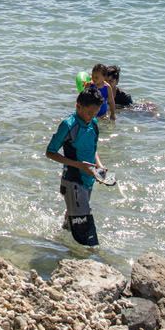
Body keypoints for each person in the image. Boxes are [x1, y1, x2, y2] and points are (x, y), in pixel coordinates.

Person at [45, 88, 105, 246]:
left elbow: (93, 148)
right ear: (78, 106)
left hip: (88, 178)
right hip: (72, 180)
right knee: (84, 228)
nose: (91, 116)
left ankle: (59, 242)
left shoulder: (93, 123)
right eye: (89, 112)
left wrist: (99, 167)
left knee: (73, 219)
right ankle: (88, 256)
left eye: (95, 113)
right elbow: (50, 152)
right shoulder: (68, 125)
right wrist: (79, 165)